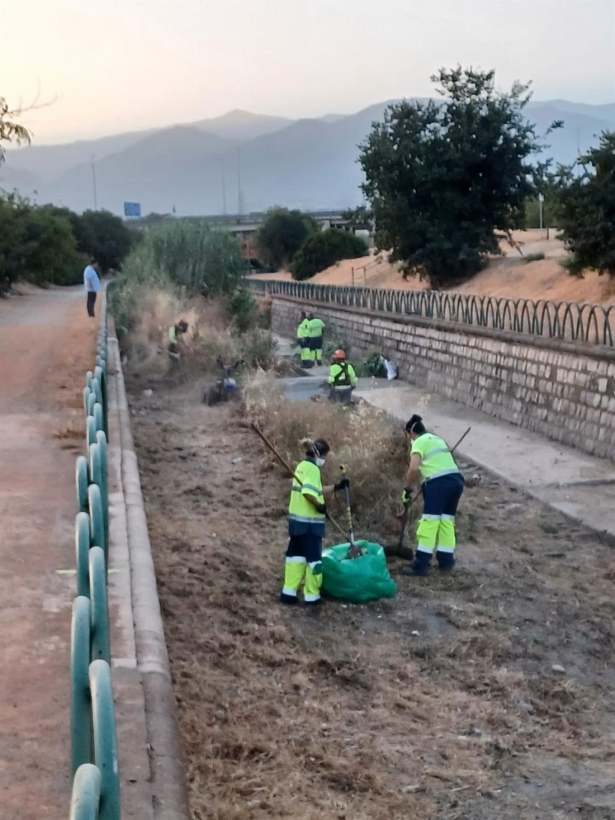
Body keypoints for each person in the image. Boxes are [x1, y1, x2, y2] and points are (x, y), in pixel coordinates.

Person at [280, 437, 349, 606]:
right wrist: (319, 506)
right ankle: (312, 597)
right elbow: (308, 493)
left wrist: (336, 487)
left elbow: (315, 489)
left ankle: (288, 593)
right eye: (325, 457)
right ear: (320, 455)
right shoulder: (313, 469)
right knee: (314, 561)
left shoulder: (302, 466)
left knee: (295, 557)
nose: (324, 461)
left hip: (296, 522)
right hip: (309, 525)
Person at [401, 414, 465, 576]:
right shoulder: (436, 439)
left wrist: (407, 490)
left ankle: (421, 565)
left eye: (408, 435)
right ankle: (446, 561)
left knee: (429, 522)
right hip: (456, 481)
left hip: (439, 485)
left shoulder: (419, 442)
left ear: (411, 433)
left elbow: (413, 468)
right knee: (446, 522)